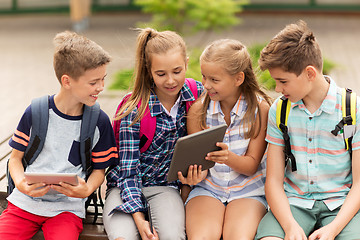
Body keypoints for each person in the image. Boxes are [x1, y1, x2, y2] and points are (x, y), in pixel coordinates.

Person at [0, 31, 118, 240]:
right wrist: (20, 183)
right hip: (25, 204)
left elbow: (100, 171)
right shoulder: (36, 112)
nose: (101, 87)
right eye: (93, 82)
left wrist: (87, 189)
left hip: (67, 210)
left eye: (103, 79)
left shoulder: (99, 121)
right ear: (67, 81)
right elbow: (15, 159)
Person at [255, 20, 360, 240]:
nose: (277, 89)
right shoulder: (280, 110)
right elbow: (273, 182)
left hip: (342, 205)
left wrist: (333, 230)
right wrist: (290, 226)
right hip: (293, 204)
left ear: (310, 73)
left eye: (283, 81)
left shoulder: (352, 108)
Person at [103, 28, 204, 240]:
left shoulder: (196, 95)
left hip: (165, 188)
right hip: (125, 187)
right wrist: (140, 220)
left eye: (177, 71)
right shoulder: (134, 110)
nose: (170, 81)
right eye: (161, 74)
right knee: (123, 237)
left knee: (173, 236)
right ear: (149, 71)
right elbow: (127, 172)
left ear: (186, 63)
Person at [182, 39, 271, 239]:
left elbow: (250, 166)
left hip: (248, 191)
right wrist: (193, 175)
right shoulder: (199, 110)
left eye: (214, 80)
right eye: (204, 77)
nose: (206, 85)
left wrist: (227, 157)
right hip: (208, 189)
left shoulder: (260, 110)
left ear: (238, 78)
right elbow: (199, 167)